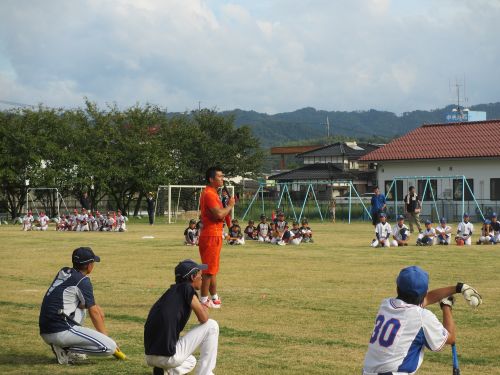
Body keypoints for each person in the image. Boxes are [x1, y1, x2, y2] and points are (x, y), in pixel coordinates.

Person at [362, 265, 481, 375]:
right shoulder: (422, 317)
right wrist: (446, 307)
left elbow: (427, 298)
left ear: (397, 287)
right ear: (425, 291)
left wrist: (458, 288)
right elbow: (450, 338)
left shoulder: (386, 304)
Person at [39, 247, 121, 365]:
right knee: (109, 347)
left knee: (82, 307)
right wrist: (107, 338)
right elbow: (94, 312)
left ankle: (64, 347)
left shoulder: (64, 271)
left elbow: (95, 308)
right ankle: (65, 349)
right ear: (89, 266)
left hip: (46, 329)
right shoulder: (82, 281)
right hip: (59, 330)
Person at [144, 259, 219, 375]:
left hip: (150, 356)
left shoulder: (170, 292)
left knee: (190, 361)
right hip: (168, 355)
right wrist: (205, 306)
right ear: (193, 277)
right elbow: (203, 318)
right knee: (212, 325)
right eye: (200, 274)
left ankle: (165, 371)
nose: (202, 278)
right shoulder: (187, 288)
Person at [198, 167, 235, 309]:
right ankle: (203, 300)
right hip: (211, 234)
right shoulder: (209, 194)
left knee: (212, 268)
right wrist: (230, 206)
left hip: (213, 234)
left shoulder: (213, 193)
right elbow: (219, 215)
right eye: (219, 176)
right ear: (211, 179)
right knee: (208, 269)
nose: (222, 179)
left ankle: (213, 297)